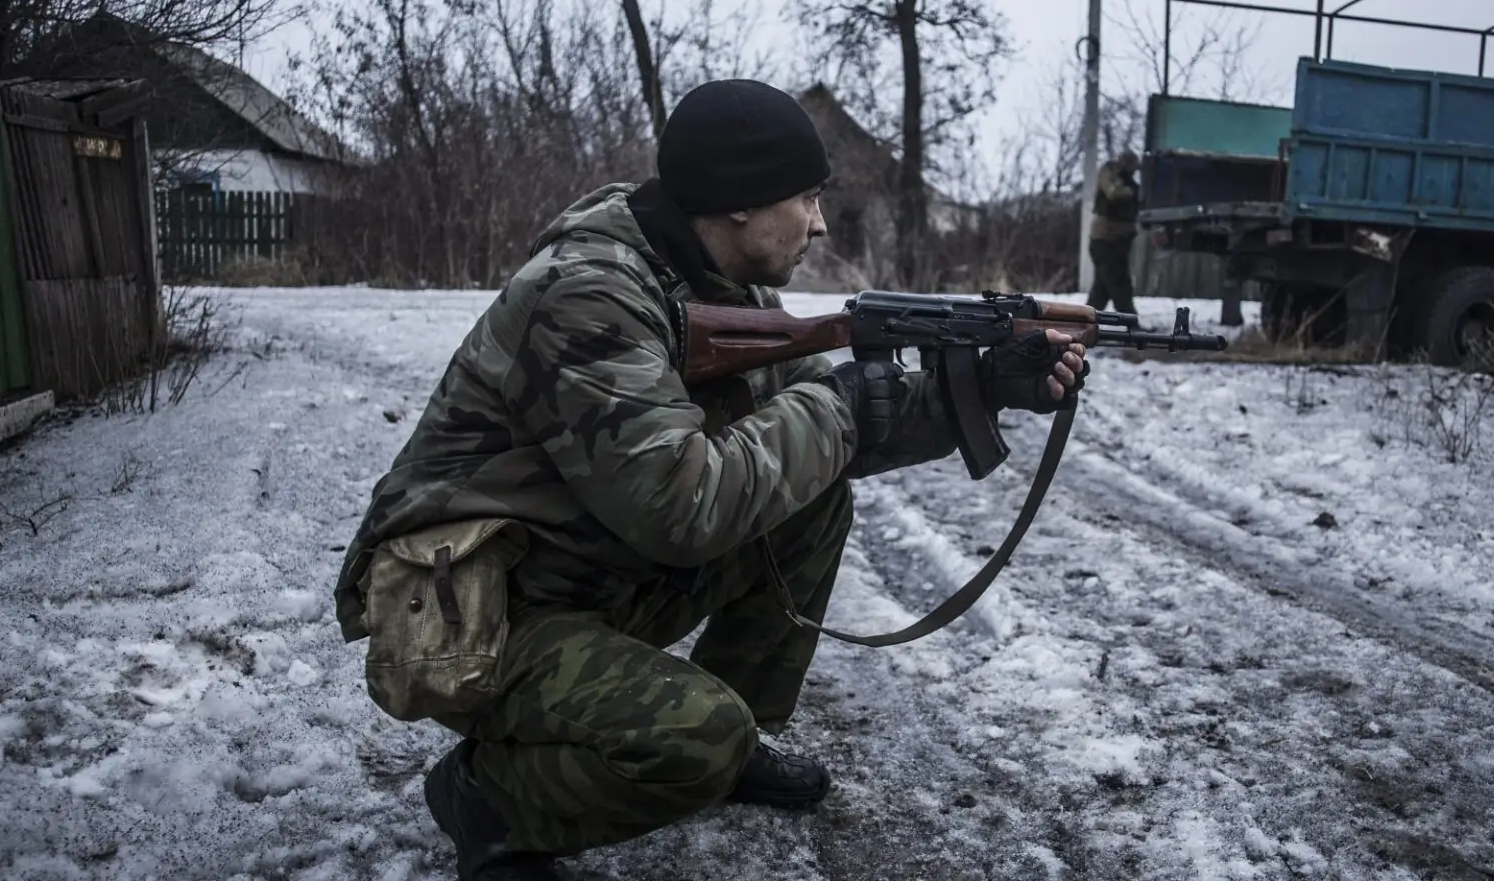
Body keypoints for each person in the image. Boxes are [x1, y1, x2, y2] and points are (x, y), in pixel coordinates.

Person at [332, 78, 1090, 880]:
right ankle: (489, 800)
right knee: (696, 737)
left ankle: (736, 740)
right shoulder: (588, 294)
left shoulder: (718, 288)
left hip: (582, 568)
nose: (821, 223)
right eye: (808, 198)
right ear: (740, 202)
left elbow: (829, 426)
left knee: (811, 494)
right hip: (474, 612)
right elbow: (680, 506)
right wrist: (835, 408)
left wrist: (984, 386)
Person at [1086, 148, 1142, 321]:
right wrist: (1132, 192)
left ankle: (1084, 321)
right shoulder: (1109, 171)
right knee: (1119, 285)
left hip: (1117, 241)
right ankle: (1129, 322)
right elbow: (1112, 192)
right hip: (1106, 240)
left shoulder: (1129, 181)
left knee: (1101, 290)